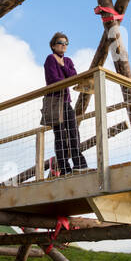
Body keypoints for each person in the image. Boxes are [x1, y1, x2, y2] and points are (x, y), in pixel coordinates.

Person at [43, 32, 89, 175]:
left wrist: (63, 66)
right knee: (60, 135)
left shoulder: (67, 60)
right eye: (60, 42)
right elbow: (53, 80)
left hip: (66, 101)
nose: (63, 45)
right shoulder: (50, 59)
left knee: (73, 132)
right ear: (53, 45)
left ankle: (79, 164)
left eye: (66, 43)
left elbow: (74, 77)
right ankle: (64, 168)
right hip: (54, 102)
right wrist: (64, 73)